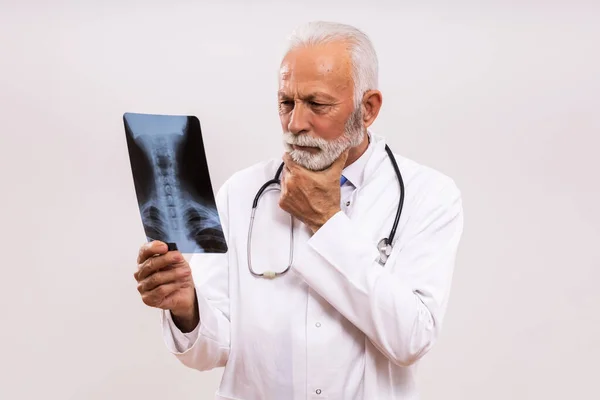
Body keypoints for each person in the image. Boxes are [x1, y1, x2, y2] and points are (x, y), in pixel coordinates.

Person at [133, 21, 464, 400]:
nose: (295, 123)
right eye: (286, 102)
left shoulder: (429, 195)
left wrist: (326, 222)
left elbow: (412, 338)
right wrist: (186, 306)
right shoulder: (240, 193)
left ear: (368, 108)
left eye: (317, 104)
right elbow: (216, 347)